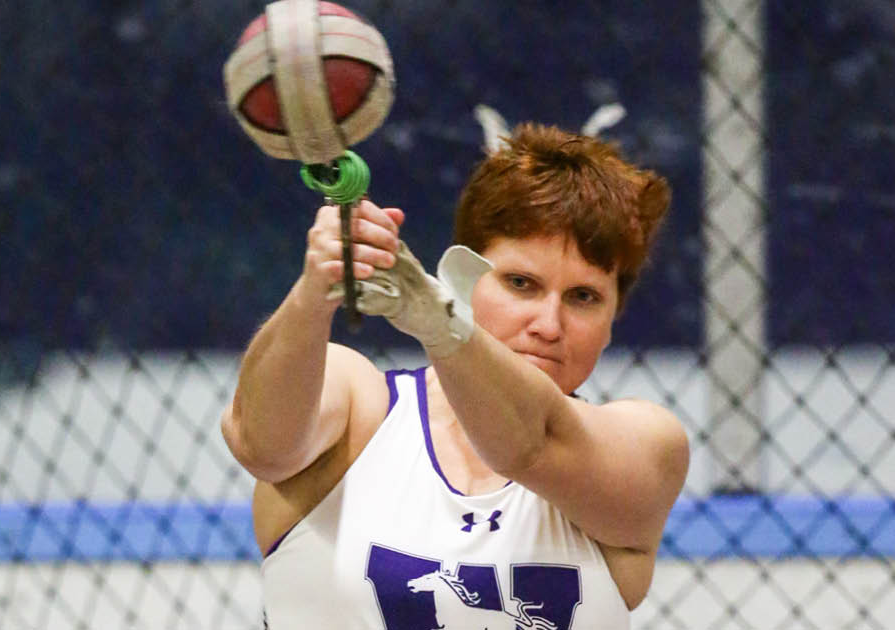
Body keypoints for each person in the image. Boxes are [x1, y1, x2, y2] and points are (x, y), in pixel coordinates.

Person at [221, 123, 689, 629]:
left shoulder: (645, 446)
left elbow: (525, 445)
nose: (549, 325)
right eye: (521, 283)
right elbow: (261, 444)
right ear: (462, 278)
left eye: (584, 297)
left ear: (612, 320)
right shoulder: (359, 406)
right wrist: (315, 290)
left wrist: (441, 327)